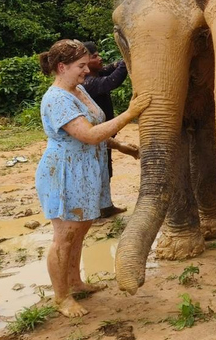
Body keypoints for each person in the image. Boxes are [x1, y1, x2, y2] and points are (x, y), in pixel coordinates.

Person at [35, 39, 150, 317]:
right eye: (81, 66)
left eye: (86, 65)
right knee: (64, 236)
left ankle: (75, 282)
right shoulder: (58, 98)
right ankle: (61, 298)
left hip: (86, 170)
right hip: (64, 172)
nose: (86, 71)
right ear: (61, 67)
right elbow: (87, 135)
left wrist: (121, 147)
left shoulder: (78, 91)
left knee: (80, 230)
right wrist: (130, 114)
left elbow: (95, 127)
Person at [82, 41, 130, 218]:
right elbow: (112, 81)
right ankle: (94, 210)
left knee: (105, 169)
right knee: (96, 172)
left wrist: (121, 62)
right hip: (94, 135)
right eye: (94, 57)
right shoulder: (89, 83)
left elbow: (112, 68)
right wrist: (127, 60)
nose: (99, 58)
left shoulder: (97, 73)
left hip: (103, 135)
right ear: (84, 63)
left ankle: (105, 206)